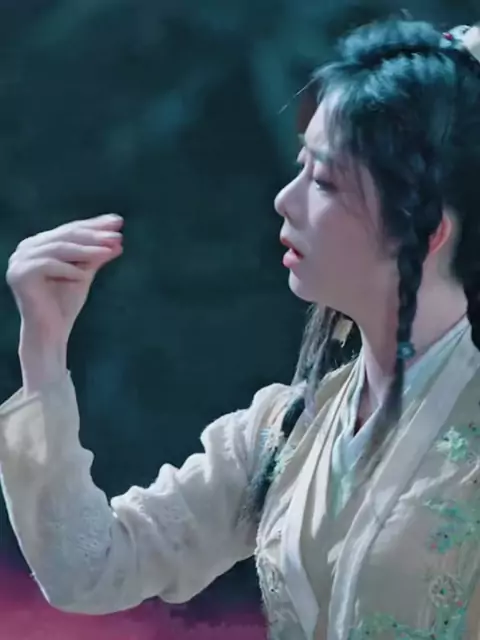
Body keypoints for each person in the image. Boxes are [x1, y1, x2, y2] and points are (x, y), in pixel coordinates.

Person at [1, 16, 480, 640]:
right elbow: (88, 567)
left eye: (325, 182)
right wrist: (43, 350)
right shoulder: (286, 431)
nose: (286, 199)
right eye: (301, 166)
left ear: (424, 231)